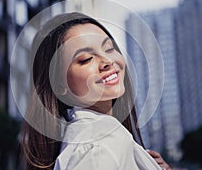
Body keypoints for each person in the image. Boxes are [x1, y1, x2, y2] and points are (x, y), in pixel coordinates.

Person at [21, 12, 171, 170]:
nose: (107, 61)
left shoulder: (96, 138)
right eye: (86, 59)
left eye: (109, 48)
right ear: (58, 85)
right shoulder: (98, 144)